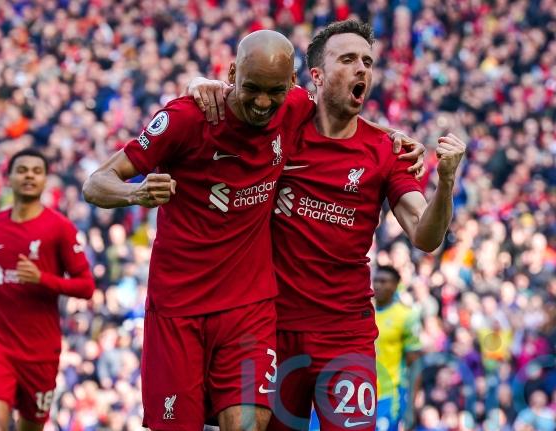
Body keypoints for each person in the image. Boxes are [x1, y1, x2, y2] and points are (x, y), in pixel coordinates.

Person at [188, 19, 465, 431]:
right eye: (348, 59)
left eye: (367, 62)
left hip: (345, 336)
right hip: (272, 330)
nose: (361, 68)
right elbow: (236, 101)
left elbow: (425, 236)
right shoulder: (281, 126)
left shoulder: (385, 152)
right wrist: (200, 84)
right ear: (315, 76)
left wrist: (445, 183)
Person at [82, 30, 315, 431]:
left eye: (274, 91)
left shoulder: (295, 107)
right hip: (178, 309)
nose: (263, 102)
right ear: (232, 74)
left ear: (292, 83)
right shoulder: (187, 118)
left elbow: (347, 119)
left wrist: (394, 139)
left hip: (248, 306)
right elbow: (96, 183)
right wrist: (136, 193)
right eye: (252, 88)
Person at [0, 148, 95, 431]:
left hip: (41, 349)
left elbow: (86, 286)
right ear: (9, 178)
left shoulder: (60, 228)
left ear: (45, 179)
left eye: (37, 171)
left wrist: (42, 279)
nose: (29, 176)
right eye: (22, 170)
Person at [373, 265, 423, 431]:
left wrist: (410, 407)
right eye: (376, 281)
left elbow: (415, 364)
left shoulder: (406, 316)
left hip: (389, 397)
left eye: (384, 281)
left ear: (395, 285)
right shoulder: (363, 312)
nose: (378, 285)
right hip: (360, 395)